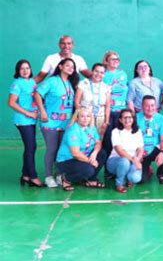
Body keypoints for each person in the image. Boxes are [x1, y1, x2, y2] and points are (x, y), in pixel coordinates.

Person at [34, 58, 79, 188]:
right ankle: (48, 176)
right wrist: (42, 111)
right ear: (60, 66)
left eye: (73, 66)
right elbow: (37, 94)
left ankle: (59, 175)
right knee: (52, 149)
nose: (71, 68)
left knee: (61, 150)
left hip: (65, 123)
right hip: (50, 122)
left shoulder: (70, 83)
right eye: (68, 65)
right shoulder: (52, 81)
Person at [8, 60, 43, 187]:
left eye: (27, 68)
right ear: (18, 71)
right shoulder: (17, 84)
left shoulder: (32, 82)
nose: (25, 70)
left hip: (32, 119)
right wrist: (28, 113)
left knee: (31, 147)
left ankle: (25, 175)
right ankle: (33, 176)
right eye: (22, 68)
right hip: (23, 120)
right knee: (30, 147)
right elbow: (11, 103)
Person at [56, 107, 107, 191]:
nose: (85, 119)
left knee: (102, 153)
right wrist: (91, 161)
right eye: (82, 116)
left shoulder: (91, 128)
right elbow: (75, 153)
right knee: (88, 170)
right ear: (77, 118)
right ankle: (66, 179)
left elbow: (98, 142)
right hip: (67, 160)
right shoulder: (73, 130)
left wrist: (94, 153)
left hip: (83, 157)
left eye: (88, 116)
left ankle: (90, 180)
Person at [136, 95, 163, 184]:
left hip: (155, 148)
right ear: (142, 106)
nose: (150, 108)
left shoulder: (161, 118)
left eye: (152, 105)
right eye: (147, 105)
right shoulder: (135, 118)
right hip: (140, 150)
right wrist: (138, 154)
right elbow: (132, 139)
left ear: (156, 106)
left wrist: (162, 153)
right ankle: (147, 169)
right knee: (141, 180)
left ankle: (161, 173)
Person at [107, 109, 144, 193]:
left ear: (133, 119)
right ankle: (119, 184)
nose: (127, 120)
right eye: (124, 118)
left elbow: (140, 148)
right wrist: (134, 160)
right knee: (124, 162)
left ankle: (128, 177)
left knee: (135, 178)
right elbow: (120, 151)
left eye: (130, 117)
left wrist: (138, 159)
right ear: (120, 120)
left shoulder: (137, 131)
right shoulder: (116, 132)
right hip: (116, 161)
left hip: (133, 160)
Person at [102, 50, 128, 155]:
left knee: (120, 141)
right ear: (106, 61)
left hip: (121, 112)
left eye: (117, 59)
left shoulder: (122, 74)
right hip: (107, 112)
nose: (115, 61)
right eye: (112, 59)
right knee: (108, 140)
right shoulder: (103, 74)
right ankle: (108, 169)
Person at [74, 63, 110, 136]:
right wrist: (82, 117)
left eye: (101, 72)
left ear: (104, 74)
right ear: (92, 71)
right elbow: (76, 102)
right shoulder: (83, 83)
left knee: (98, 141)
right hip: (85, 119)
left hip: (100, 119)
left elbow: (108, 106)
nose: (98, 74)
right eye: (96, 71)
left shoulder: (106, 87)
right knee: (84, 140)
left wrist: (106, 122)